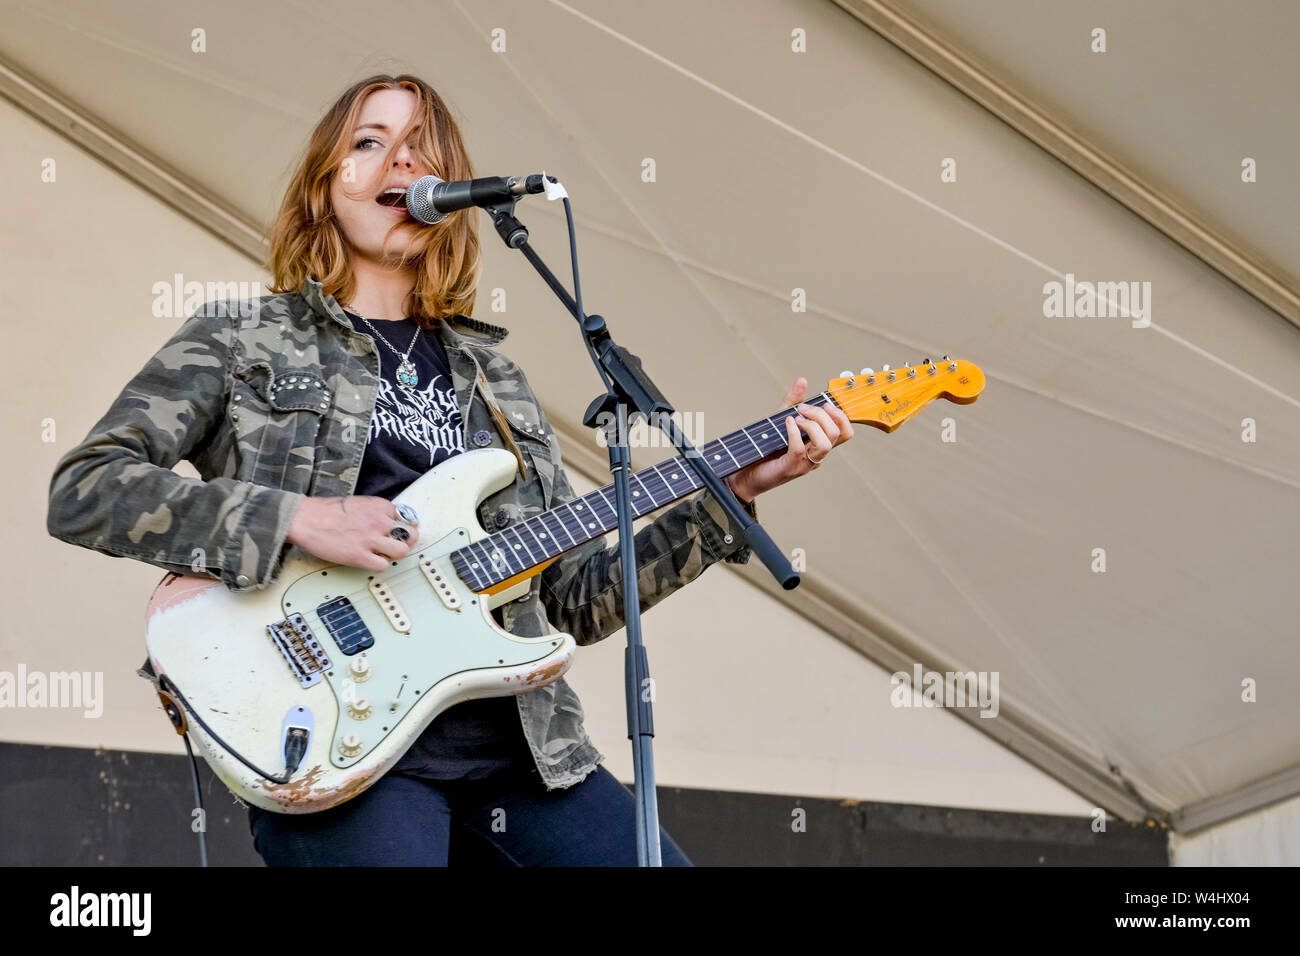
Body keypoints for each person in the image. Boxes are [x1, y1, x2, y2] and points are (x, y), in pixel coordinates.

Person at [45, 74, 854, 866]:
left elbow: (572, 603)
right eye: (372, 142)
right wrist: (295, 518)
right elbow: (86, 490)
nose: (402, 163)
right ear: (327, 183)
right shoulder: (243, 335)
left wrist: (733, 495)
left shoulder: (496, 382)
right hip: (343, 743)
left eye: (421, 150)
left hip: (524, 749)